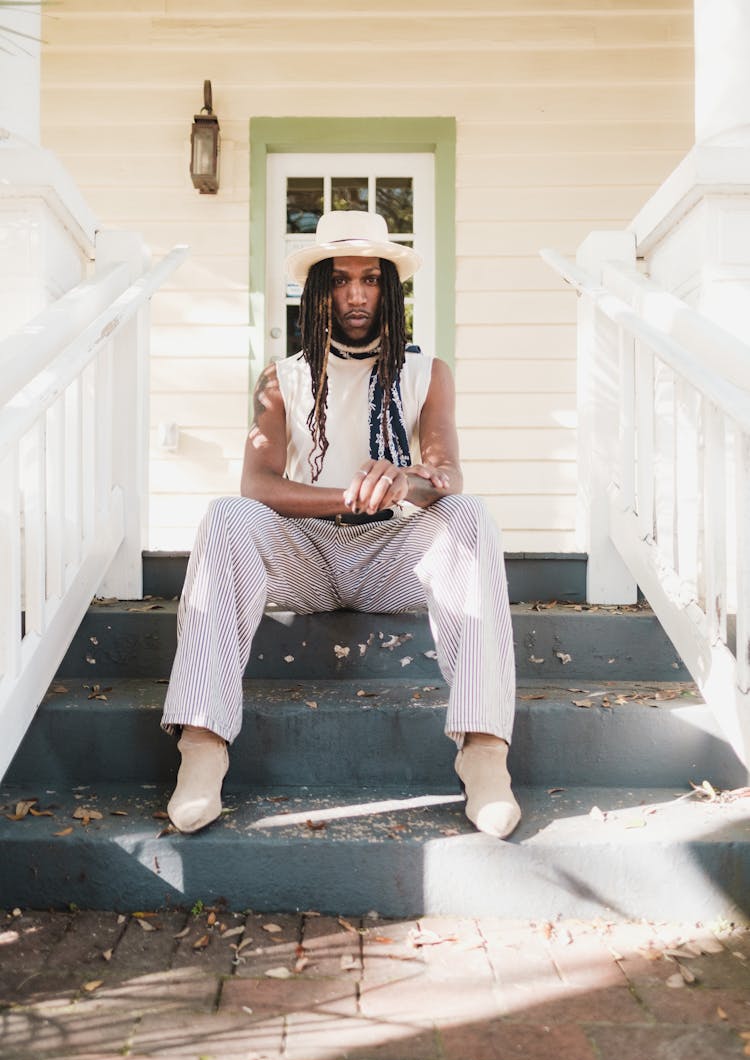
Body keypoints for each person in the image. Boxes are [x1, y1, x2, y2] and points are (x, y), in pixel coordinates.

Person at [161, 209, 519, 839]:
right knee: (226, 514)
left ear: (390, 289)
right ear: (319, 290)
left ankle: (484, 753)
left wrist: (401, 481)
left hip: (390, 559)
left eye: (371, 279)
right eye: (341, 279)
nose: (356, 294)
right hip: (308, 557)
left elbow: (447, 473)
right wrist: (348, 498)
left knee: (470, 513)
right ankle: (202, 745)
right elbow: (259, 484)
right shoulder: (283, 378)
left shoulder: (426, 373)